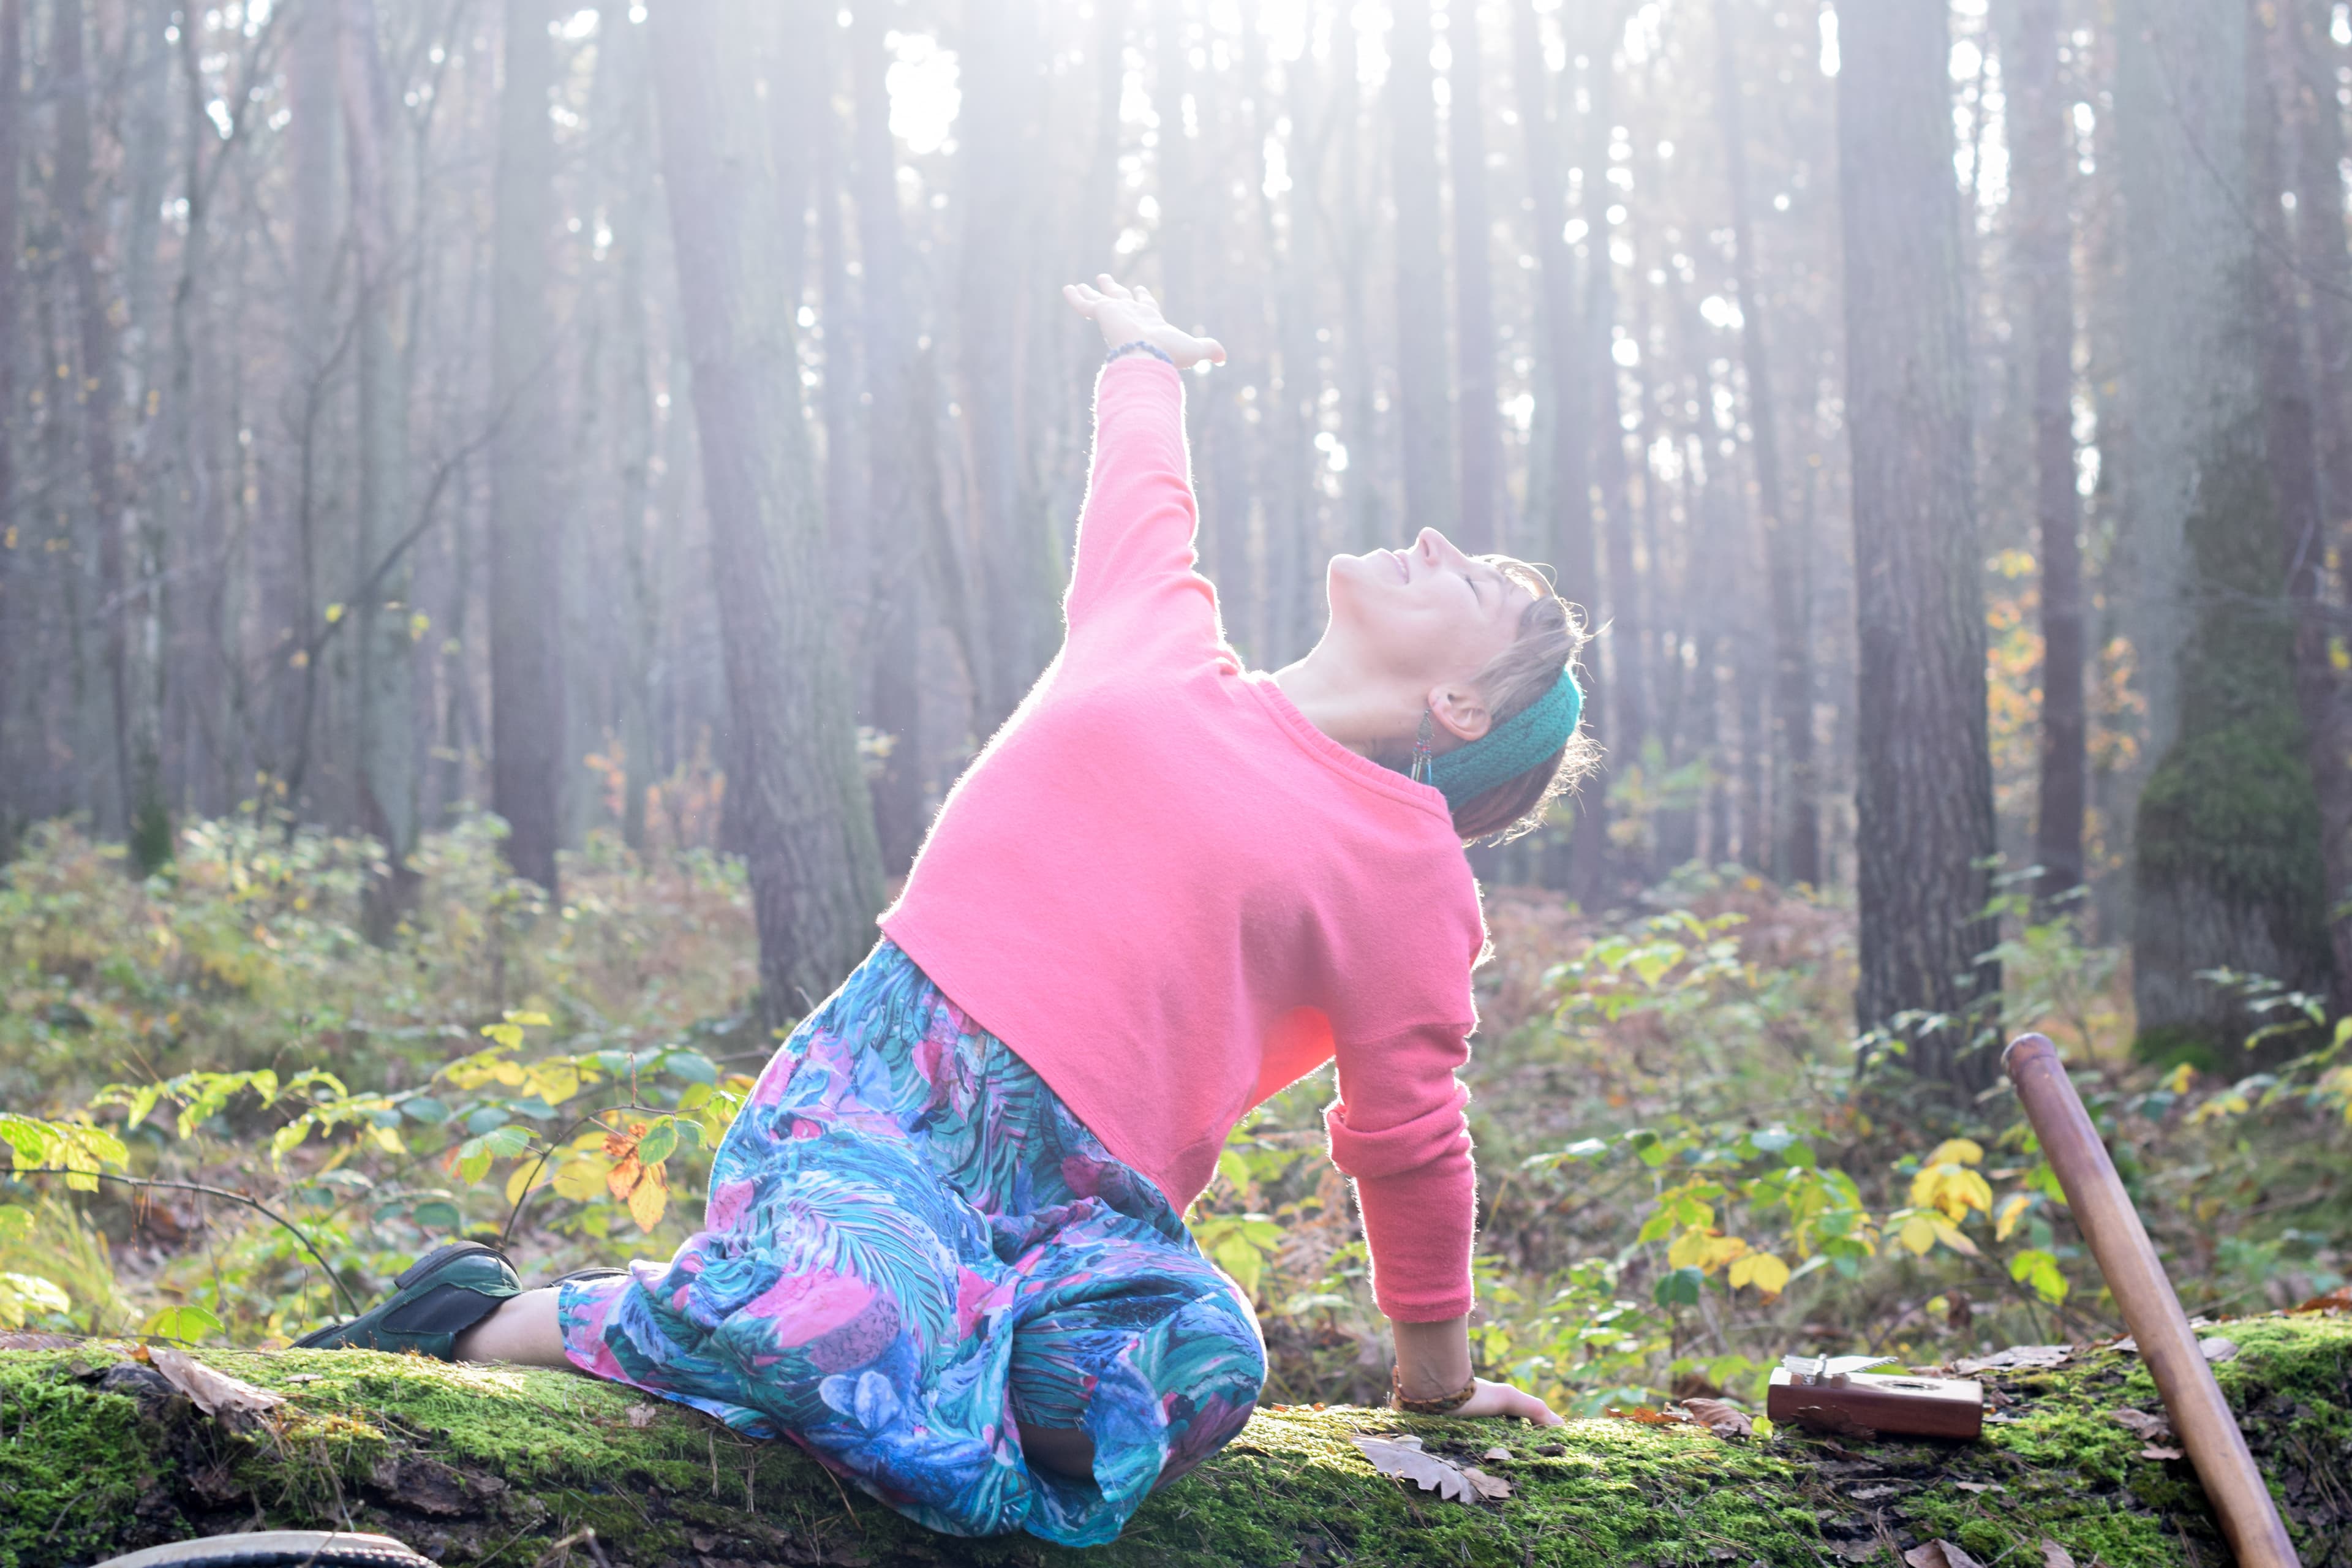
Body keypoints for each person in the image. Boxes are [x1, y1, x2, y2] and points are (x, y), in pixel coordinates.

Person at [298, 277, 1591, 1546]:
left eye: (1469, 582)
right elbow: (1148, 494)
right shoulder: (1154, 630)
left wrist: (1437, 1386)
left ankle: (903, 1344)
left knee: (1205, 1366)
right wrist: (1141, 354)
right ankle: (487, 1317)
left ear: (1463, 710)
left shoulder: (1407, 868)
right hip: (882, 1096)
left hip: (1081, 1207)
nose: (1433, 544)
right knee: (855, 1320)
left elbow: (1410, 1135)